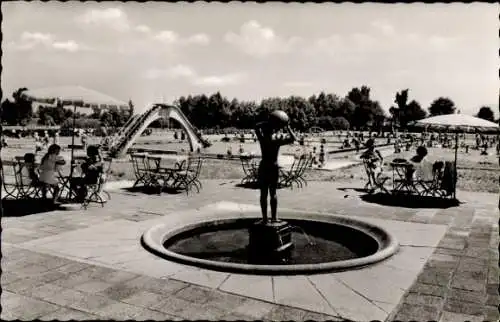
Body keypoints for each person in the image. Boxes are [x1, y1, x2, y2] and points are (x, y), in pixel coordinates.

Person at [255, 111, 297, 223]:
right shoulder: (276, 141)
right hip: (273, 167)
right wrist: (287, 127)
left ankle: (264, 218)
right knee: (273, 193)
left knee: (263, 194)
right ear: (274, 129)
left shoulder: (262, 139)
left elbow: (256, 127)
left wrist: (267, 122)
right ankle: (273, 218)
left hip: (263, 166)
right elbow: (293, 138)